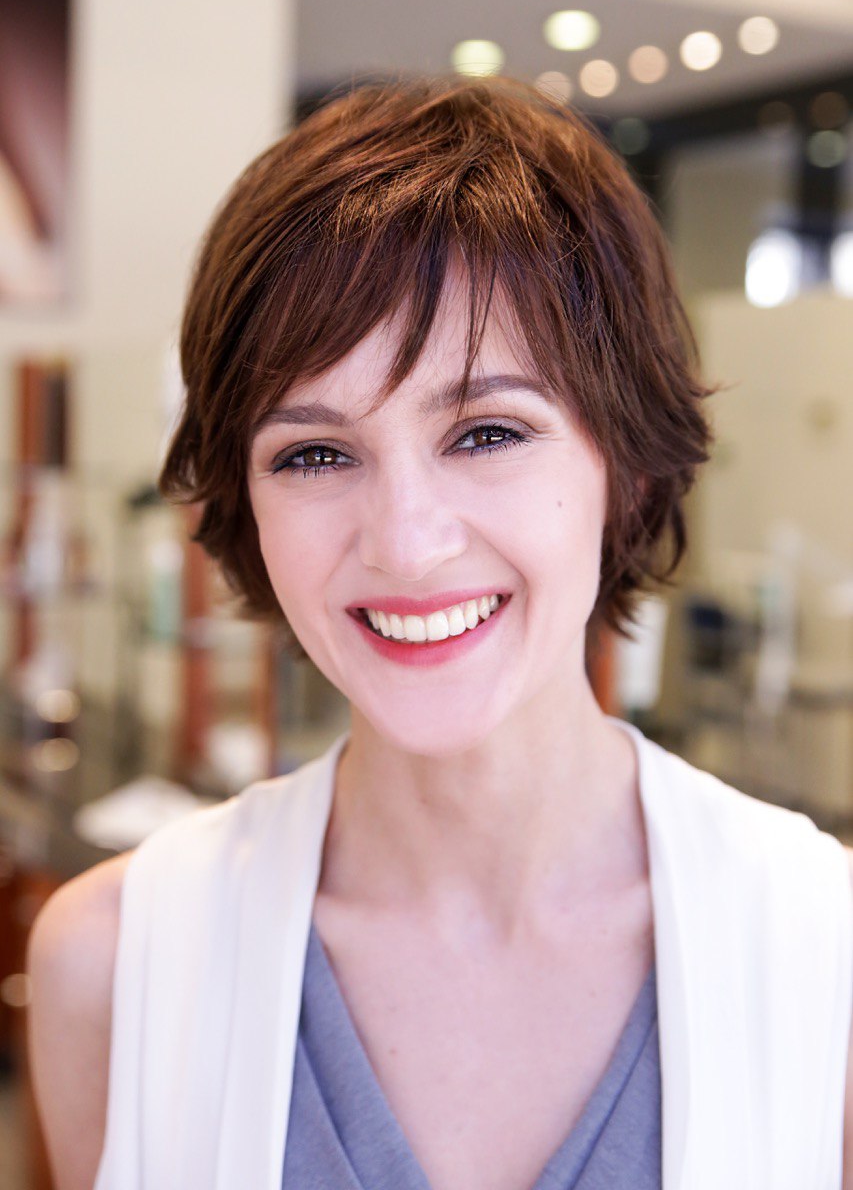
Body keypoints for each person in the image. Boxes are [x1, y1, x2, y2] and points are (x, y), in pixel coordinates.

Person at [26, 76, 853, 1190]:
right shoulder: (116, 961)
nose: (407, 545)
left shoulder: (823, 953)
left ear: (626, 464)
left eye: (487, 432)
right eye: (315, 453)